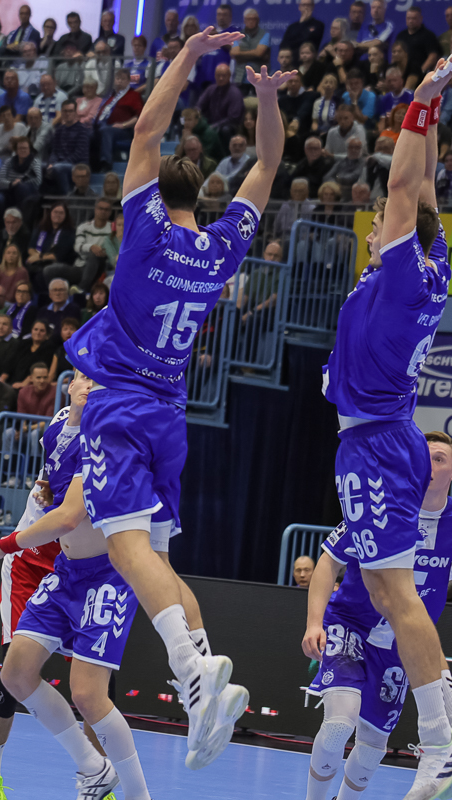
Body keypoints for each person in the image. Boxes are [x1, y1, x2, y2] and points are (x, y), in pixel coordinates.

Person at [66, 28, 289, 772]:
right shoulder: (222, 249)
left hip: (121, 405)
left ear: (155, 193)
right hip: (169, 413)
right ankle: (202, 693)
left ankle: (193, 670)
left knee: (125, 548)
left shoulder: (146, 235)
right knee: (159, 557)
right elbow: (267, 163)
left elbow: (147, 130)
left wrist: (188, 55)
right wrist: (265, 99)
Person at [322, 47, 452, 800]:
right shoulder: (434, 261)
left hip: (373, 443)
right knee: (384, 584)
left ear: (392, 237)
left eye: (378, 226)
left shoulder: (397, 275)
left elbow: (401, 187)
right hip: (385, 435)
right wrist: (436, 111)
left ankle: (440, 736)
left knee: (394, 592)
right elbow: (421, 190)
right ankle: (450, 721)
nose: (372, 229)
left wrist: (421, 99)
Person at [0, 374, 152, 800]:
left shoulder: (112, 435)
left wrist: (1, 543)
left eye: (99, 379)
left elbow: (70, 513)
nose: (89, 384)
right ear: (69, 384)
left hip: (99, 571)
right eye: (83, 377)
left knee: (91, 692)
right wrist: (46, 495)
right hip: (44, 563)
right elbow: (56, 486)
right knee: (13, 673)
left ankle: (110, 784)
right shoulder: (58, 428)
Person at [301, 431, 452, 800]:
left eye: (439, 459)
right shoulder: (380, 505)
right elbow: (329, 561)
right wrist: (313, 622)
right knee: (339, 724)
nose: (428, 464)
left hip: (401, 646)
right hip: (351, 625)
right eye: (423, 456)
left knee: (373, 746)